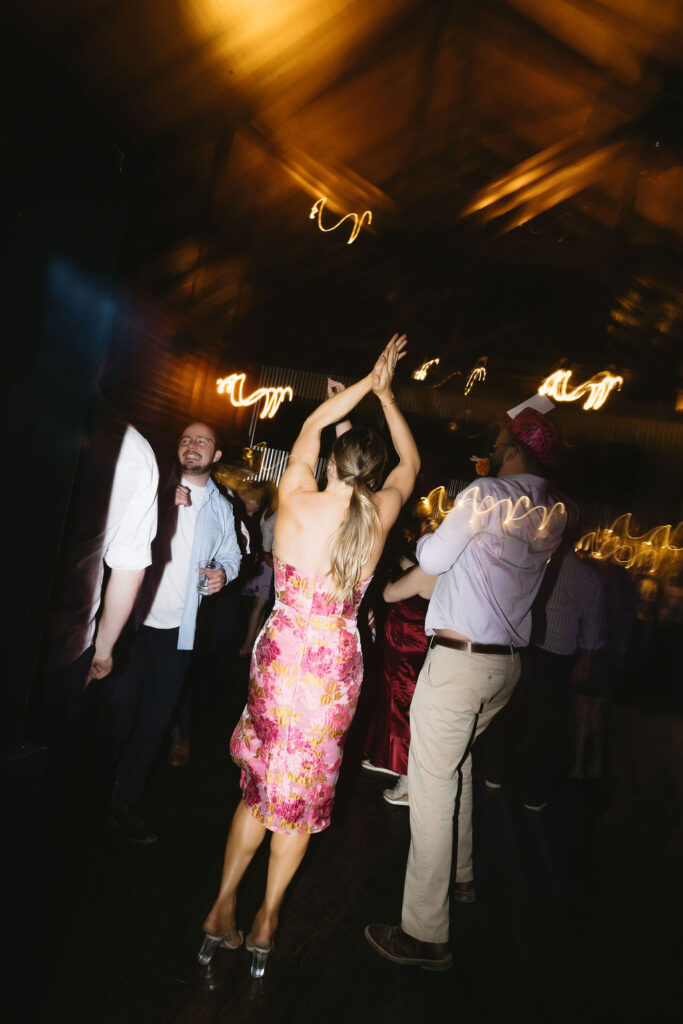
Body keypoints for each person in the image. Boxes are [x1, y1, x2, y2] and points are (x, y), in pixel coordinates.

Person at [199, 334, 420, 977]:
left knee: (260, 788)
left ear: (332, 458)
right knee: (295, 798)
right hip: (333, 664)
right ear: (374, 475)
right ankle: (267, 923)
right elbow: (410, 458)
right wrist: (386, 394)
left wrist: (357, 389)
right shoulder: (381, 512)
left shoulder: (296, 490)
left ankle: (220, 911)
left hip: (282, 652)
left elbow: (314, 423)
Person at [365, 404, 567, 971]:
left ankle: (424, 934)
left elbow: (432, 557)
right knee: (456, 769)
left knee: (429, 788)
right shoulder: (553, 512)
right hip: (505, 667)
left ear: (516, 444)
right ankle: (463, 877)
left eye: (504, 433)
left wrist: (436, 535)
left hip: (459, 664)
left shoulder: (486, 494)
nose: (495, 438)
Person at [102, 422, 242, 843]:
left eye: (203, 441)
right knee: (115, 718)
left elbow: (233, 555)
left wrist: (224, 573)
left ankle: (123, 803)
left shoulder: (222, 505)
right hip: (133, 625)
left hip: (178, 635)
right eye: (185, 438)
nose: (192, 445)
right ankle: (89, 797)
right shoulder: (152, 483)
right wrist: (163, 499)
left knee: (154, 724)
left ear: (216, 455)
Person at [238, 484, 277, 657]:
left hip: (271, 561)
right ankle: (253, 640)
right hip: (261, 558)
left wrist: (272, 556)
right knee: (255, 602)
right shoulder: (267, 510)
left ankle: (248, 645)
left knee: (259, 604)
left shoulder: (282, 512)